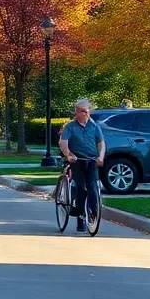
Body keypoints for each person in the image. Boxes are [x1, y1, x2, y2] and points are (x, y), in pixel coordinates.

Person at [59, 98, 106, 233]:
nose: (86, 113)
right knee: (81, 187)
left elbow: (101, 143)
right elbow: (64, 143)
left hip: (91, 160)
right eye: (83, 111)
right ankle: (80, 216)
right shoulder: (70, 127)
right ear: (77, 112)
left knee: (92, 185)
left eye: (87, 111)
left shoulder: (95, 126)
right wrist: (69, 154)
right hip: (77, 160)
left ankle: (93, 214)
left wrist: (101, 156)